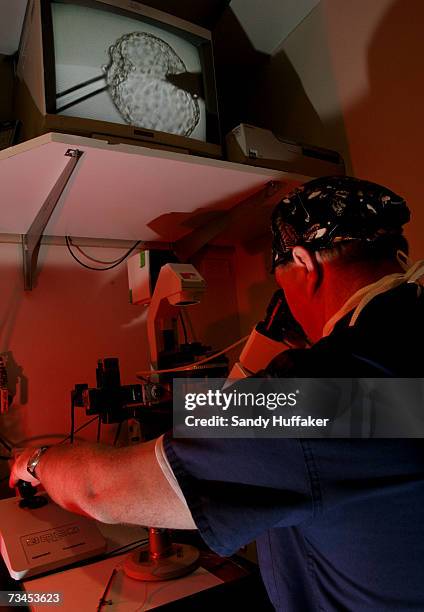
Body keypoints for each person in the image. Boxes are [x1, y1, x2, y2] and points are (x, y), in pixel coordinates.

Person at [10, 176, 424, 611]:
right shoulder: (393, 352)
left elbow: (98, 491)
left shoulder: (318, 393)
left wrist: (36, 461)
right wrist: (268, 338)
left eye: (283, 286)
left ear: (304, 263)